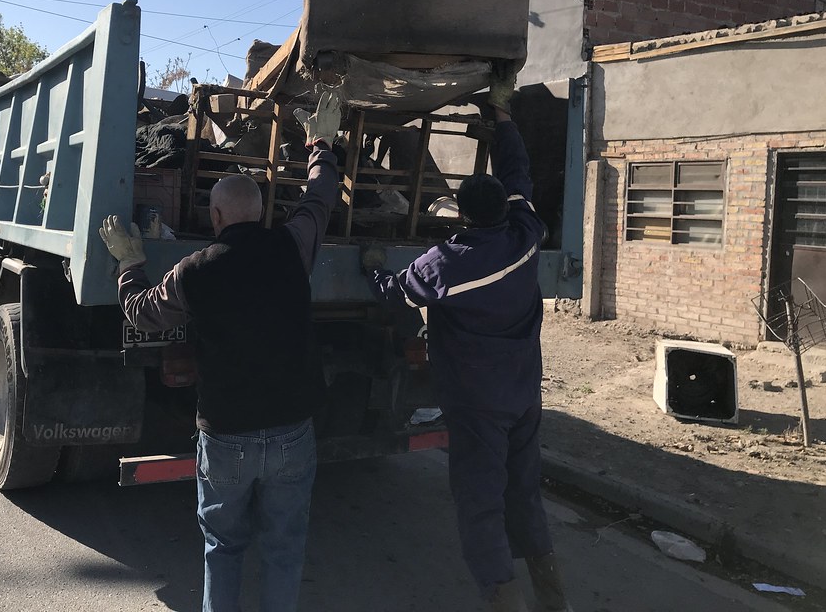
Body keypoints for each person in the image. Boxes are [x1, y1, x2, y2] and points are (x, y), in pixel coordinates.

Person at [99, 93, 342, 612]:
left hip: (227, 436)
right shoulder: (292, 246)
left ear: (214, 215)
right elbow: (320, 199)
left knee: (223, 546)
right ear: (262, 212)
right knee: (285, 547)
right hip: (292, 432)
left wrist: (129, 262)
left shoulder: (195, 271)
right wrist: (321, 145)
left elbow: (142, 313)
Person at [362, 70, 573, 612]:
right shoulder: (525, 236)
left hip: (476, 404)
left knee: (479, 503)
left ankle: (503, 600)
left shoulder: (446, 265)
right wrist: (502, 118)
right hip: (523, 394)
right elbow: (520, 174)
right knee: (522, 493)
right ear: (504, 207)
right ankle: (553, 599)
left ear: (460, 213)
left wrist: (371, 269)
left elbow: (395, 296)